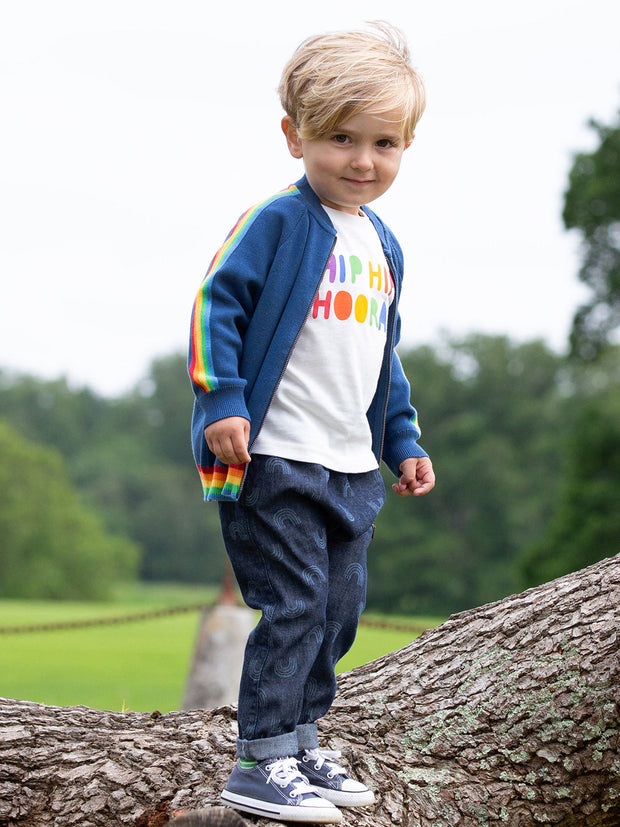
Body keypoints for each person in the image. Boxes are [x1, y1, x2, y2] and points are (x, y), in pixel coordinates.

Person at [188, 21, 435, 824]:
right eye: (340, 139)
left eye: (385, 143)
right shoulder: (279, 223)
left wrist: (401, 441)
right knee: (293, 604)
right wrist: (222, 400)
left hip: (350, 465)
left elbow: (382, 357)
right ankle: (259, 758)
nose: (363, 161)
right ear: (295, 137)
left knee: (338, 610)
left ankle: (300, 740)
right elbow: (214, 307)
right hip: (275, 460)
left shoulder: (384, 246)